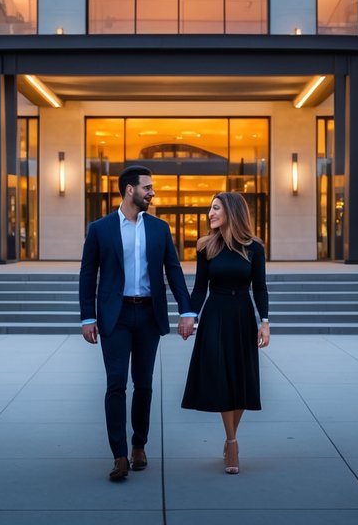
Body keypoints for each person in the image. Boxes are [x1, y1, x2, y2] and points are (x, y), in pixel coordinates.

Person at [79, 165, 196, 482]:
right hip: (114, 317)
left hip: (147, 315)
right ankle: (119, 455)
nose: (152, 192)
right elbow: (88, 275)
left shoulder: (159, 229)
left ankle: (139, 445)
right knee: (116, 383)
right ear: (129, 189)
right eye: (147, 187)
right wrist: (88, 316)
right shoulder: (100, 229)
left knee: (144, 383)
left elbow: (173, 271)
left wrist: (187, 310)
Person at [181, 191, 269, 475]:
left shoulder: (254, 248)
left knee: (240, 378)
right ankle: (232, 442)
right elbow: (199, 288)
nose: (210, 214)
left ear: (231, 211)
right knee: (221, 377)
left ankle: (232, 434)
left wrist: (264, 322)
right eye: (210, 209)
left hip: (242, 315)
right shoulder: (206, 245)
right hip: (215, 315)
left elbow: (260, 288)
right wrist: (189, 316)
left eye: (215, 208)